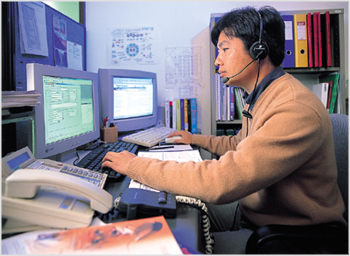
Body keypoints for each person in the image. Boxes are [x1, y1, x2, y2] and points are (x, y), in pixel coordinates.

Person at [102, 6, 346, 254]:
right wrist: (193, 138)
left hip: (289, 235)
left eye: (224, 49)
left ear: (258, 49)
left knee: (176, 231)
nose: (217, 60)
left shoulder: (293, 108)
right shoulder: (260, 96)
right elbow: (239, 144)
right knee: (164, 207)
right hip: (255, 210)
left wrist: (135, 166)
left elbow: (221, 182)